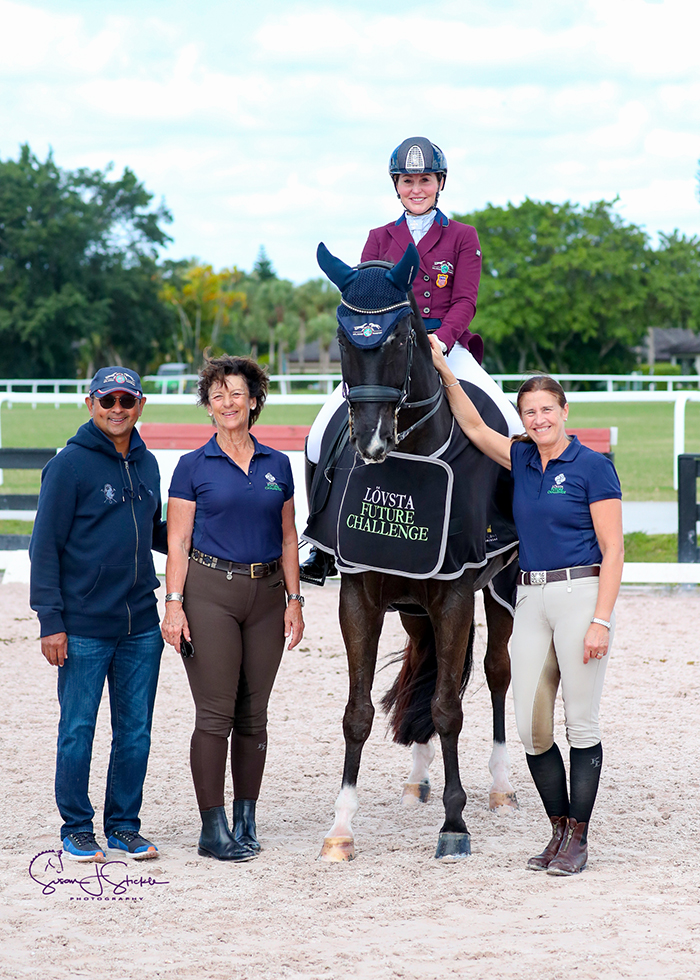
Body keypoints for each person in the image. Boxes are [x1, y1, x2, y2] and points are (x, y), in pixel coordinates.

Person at [429, 336, 624, 875]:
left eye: (546, 410)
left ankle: (578, 839)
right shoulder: (519, 455)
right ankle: (558, 830)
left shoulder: (592, 467)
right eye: (529, 412)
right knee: (532, 729)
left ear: (564, 411)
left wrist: (602, 619)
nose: (538, 419)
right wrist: (444, 369)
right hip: (530, 598)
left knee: (579, 725)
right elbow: (471, 427)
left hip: (581, 594)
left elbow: (614, 550)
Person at [301, 136, 521, 584]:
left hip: (446, 346)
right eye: (407, 181)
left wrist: (441, 339)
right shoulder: (378, 238)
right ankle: (322, 544)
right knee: (320, 430)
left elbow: (465, 299)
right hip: (387, 351)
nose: (415, 188)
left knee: (510, 423)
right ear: (396, 186)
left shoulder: (462, 236)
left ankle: (512, 530)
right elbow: (365, 299)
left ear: (439, 183)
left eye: (424, 180)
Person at [160, 355, 304, 862]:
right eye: (217, 395)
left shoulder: (277, 465)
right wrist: (173, 606)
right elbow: (177, 542)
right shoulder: (192, 467)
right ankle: (211, 827)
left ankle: (246, 819)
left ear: (254, 401)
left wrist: (294, 600)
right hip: (209, 593)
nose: (227, 403)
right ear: (208, 406)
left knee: (254, 716)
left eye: (237, 393)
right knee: (215, 714)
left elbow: (288, 538)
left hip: (266, 597)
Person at [30, 367, 167, 863]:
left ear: (140, 405)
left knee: (135, 732)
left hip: (141, 625)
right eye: (106, 400)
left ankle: (124, 826)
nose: (116, 409)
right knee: (78, 728)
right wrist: (51, 621)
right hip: (83, 626)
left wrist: (210, 536)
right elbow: (44, 548)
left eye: (125, 401)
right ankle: (77, 827)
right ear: (90, 404)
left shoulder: (148, 464)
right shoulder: (68, 466)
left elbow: (154, 530)